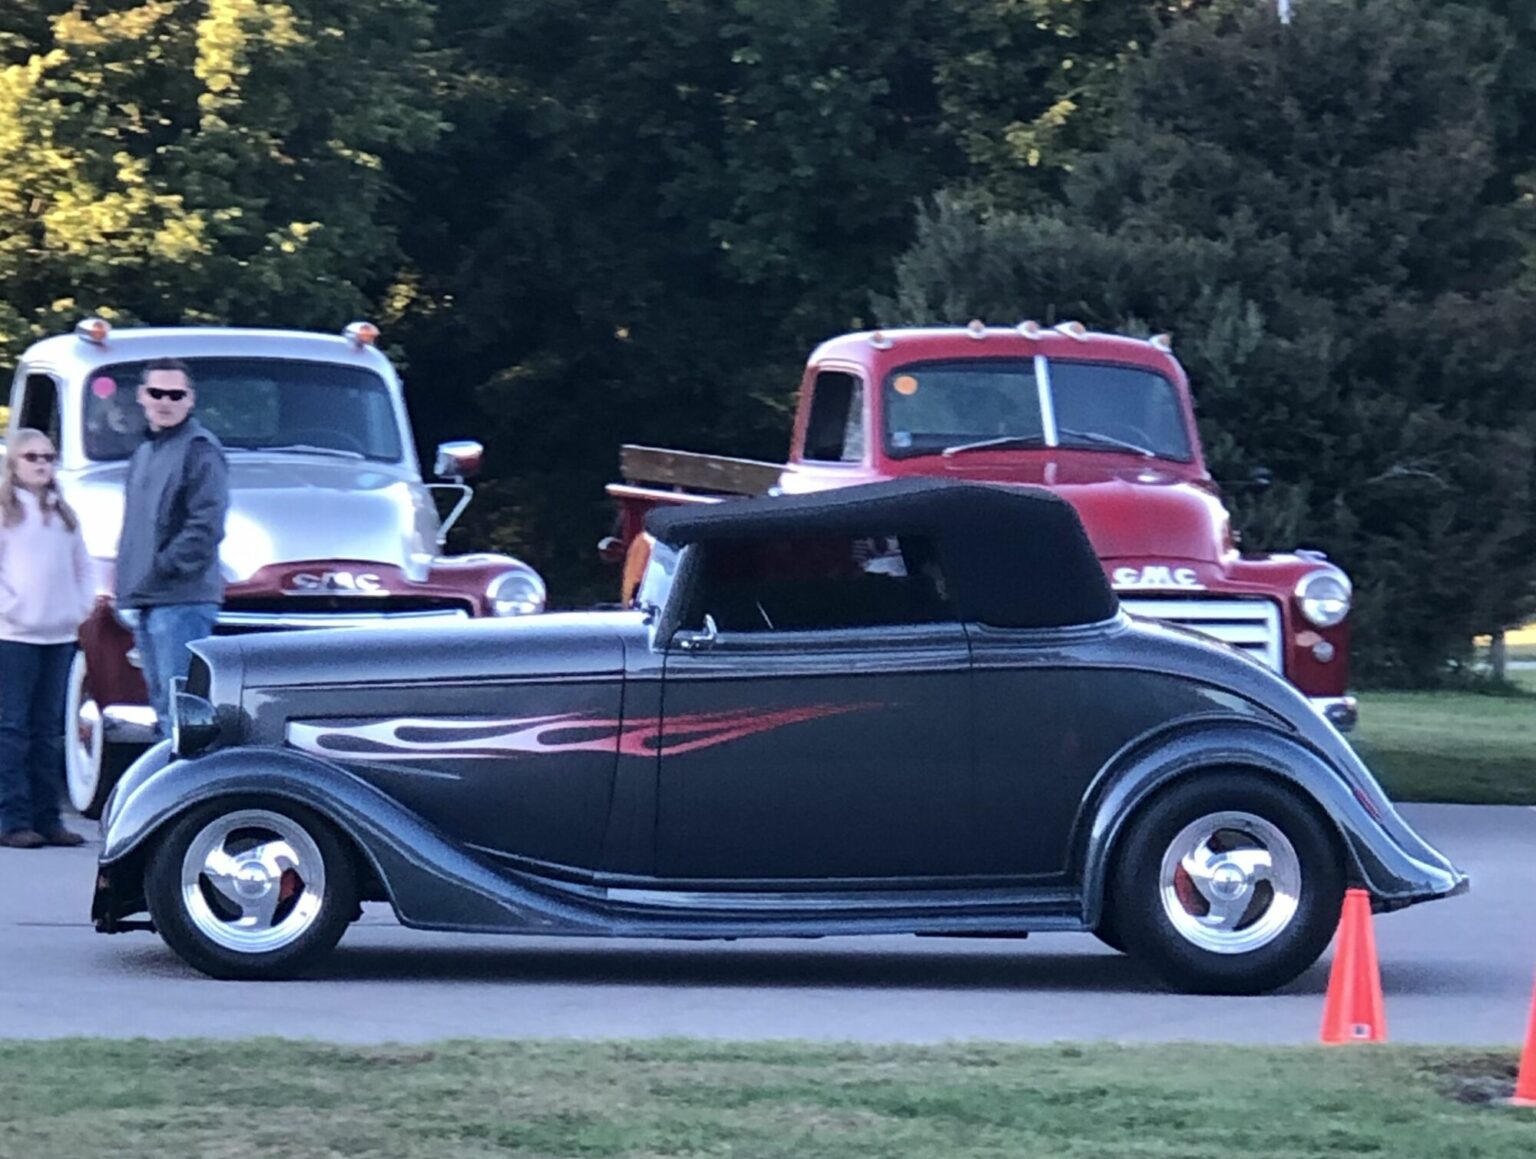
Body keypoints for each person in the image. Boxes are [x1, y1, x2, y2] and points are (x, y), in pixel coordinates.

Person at [114, 357, 229, 739]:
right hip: (147, 600)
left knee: (185, 711)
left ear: (190, 399)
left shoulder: (200, 449)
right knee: (163, 707)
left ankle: (190, 794)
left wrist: (166, 566)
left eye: (175, 394)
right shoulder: (144, 453)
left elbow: (207, 524)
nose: (166, 401)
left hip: (183, 600)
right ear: (141, 396)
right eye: (157, 392)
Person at [0, 429, 96, 848]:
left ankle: (48, 817)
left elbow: (82, 567)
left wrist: (80, 608)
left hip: (58, 635)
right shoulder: (5, 512)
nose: (41, 463)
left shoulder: (63, 514)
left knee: (49, 730)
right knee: (12, 728)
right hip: (13, 636)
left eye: (48, 456)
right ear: (14, 464)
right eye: (31, 457)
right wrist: (10, 608)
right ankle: (12, 820)